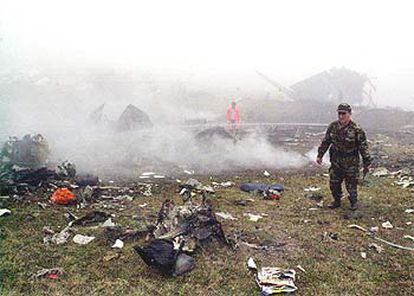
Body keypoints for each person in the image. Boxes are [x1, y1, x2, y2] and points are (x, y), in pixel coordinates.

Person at [316, 103, 371, 211]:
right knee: (334, 183)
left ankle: (354, 203)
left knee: (351, 185)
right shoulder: (333, 126)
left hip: (351, 163)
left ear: (349, 114)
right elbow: (326, 141)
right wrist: (320, 155)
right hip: (336, 162)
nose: (341, 116)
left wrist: (367, 163)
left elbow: (363, 147)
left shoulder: (357, 129)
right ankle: (337, 201)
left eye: (343, 114)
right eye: (339, 113)